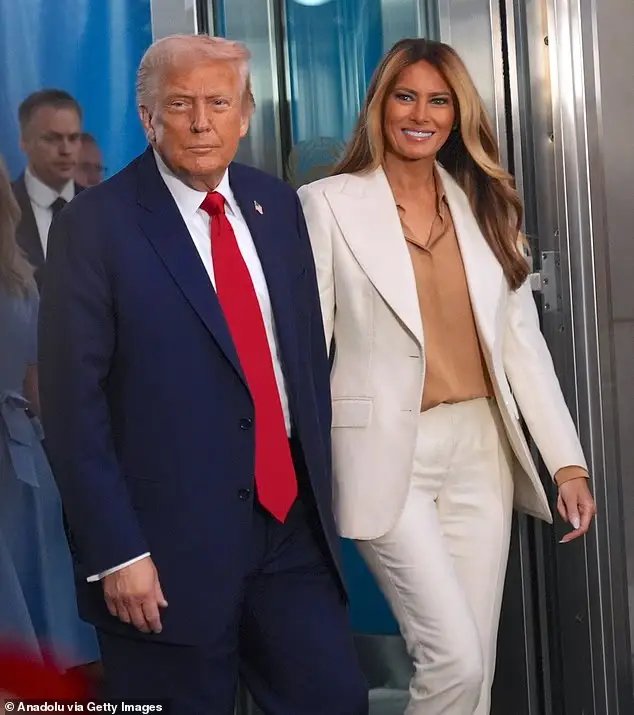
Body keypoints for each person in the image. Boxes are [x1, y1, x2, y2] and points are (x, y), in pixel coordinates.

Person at [38, 34, 367, 715]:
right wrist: (117, 552)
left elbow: (303, 362)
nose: (200, 122)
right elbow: (72, 408)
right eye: (180, 104)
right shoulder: (94, 226)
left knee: (335, 699)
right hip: (163, 551)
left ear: (245, 114)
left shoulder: (277, 207)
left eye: (219, 103)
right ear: (147, 117)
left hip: (290, 528)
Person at [298, 38, 597, 715]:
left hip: (481, 449)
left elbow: (522, 347)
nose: (420, 114)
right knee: (453, 661)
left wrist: (567, 463)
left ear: (458, 115)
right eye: (406, 97)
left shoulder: (486, 206)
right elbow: (308, 344)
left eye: (439, 101)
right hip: (385, 454)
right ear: (380, 104)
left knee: (475, 667)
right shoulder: (326, 203)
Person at [0, 156, 99, 672]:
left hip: (23, 463)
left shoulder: (22, 283)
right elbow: (40, 389)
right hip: (27, 460)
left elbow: (39, 386)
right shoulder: (20, 281)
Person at [12, 89, 83, 288]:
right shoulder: (5, 208)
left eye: (73, 138)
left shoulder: (103, 209)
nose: (66, 150)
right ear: (24, 142)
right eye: (52, 139)